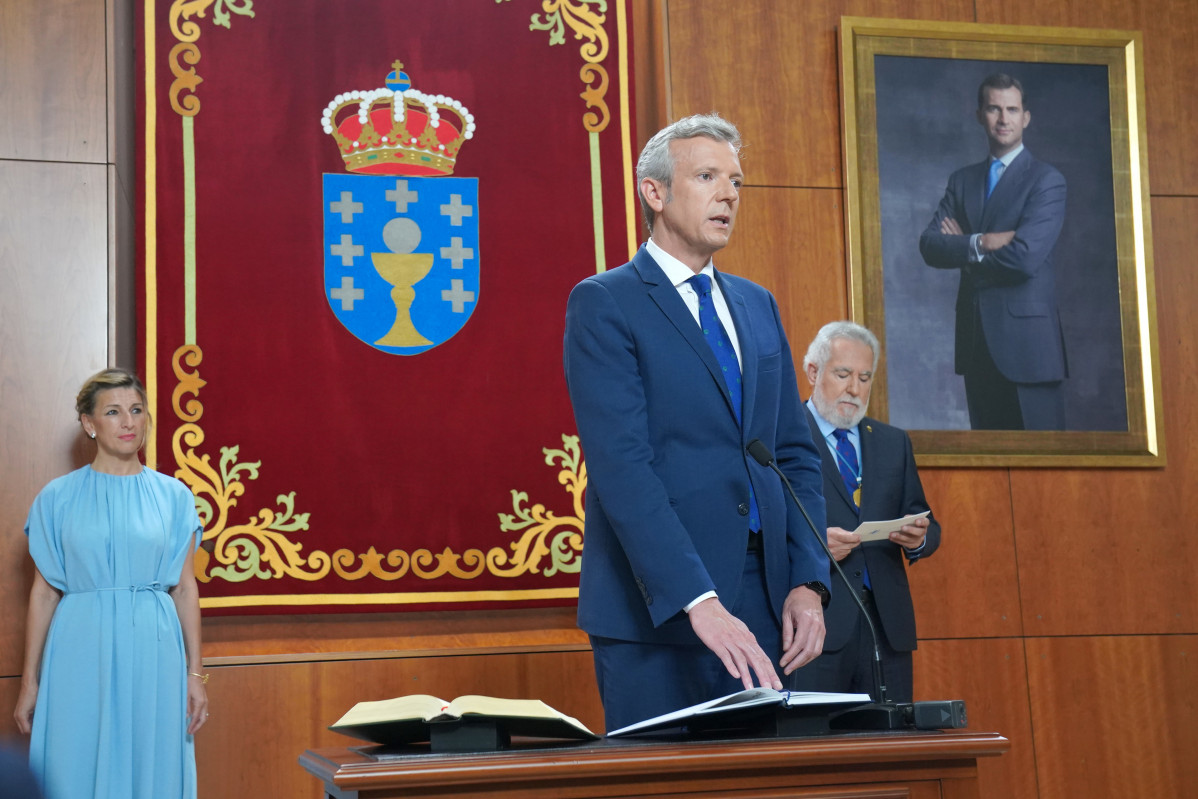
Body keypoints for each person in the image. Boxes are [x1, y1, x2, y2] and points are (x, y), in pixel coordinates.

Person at [563, 112, 831, 732]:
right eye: (707, 176)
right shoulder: (606, 301)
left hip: (767, 606)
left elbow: (793, 455)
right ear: (654, 193)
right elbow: (623, 468)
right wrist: (698, 600)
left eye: (736, 181)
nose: (728, 195)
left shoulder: (757, 304)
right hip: (658, 610)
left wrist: (809, 583)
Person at [12, 368, 208, 799]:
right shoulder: (57, 497)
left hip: (154, 649)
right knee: (74, 757)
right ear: (89, 423)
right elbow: (44, 593)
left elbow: (185, 589)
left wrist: (195, 674)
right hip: (79, 647)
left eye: (137, 410)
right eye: (114, 412)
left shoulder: (173, 495)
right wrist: (30, 682)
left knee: (151, 758)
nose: (129, 423)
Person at [786, 322, 940, 704]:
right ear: (812, 372)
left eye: (864, 377)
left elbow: (927, 521)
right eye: (843, 374)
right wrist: (813, 546)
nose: (855, 389)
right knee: (818, 750)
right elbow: (764, 527)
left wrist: (920, 538)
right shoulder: (783, 436)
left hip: (885, 629)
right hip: (817, 624)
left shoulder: (892, 442)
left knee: (891, 750)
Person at [919, 72, 1068, 430]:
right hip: (976, 344)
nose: (1003, 119)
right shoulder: (962, 180)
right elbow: (930, 245)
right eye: (994, 109)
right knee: (990, 473)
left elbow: (1024, 258)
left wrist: (964, 252)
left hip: (1029, 349)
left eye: (1012, 109)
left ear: (1025, 117)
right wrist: (982, 241)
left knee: (1043, 474)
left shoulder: (1046, 181)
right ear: (979, 115)